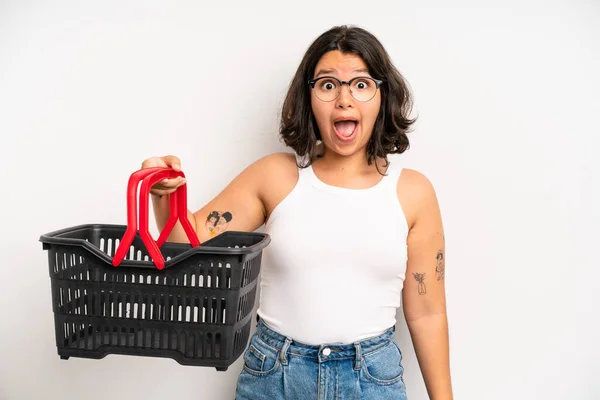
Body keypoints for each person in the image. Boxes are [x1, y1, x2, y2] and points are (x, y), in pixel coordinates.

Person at [142, 25, 453, 400]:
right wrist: (163, 193)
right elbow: (186, 245)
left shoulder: (413, 192)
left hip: (372, 380)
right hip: (275, 376)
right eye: (327, 85)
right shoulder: (275, 175)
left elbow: (428, 313)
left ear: (381, 95)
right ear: (308, 97)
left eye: (360, 83)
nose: (344, 99)